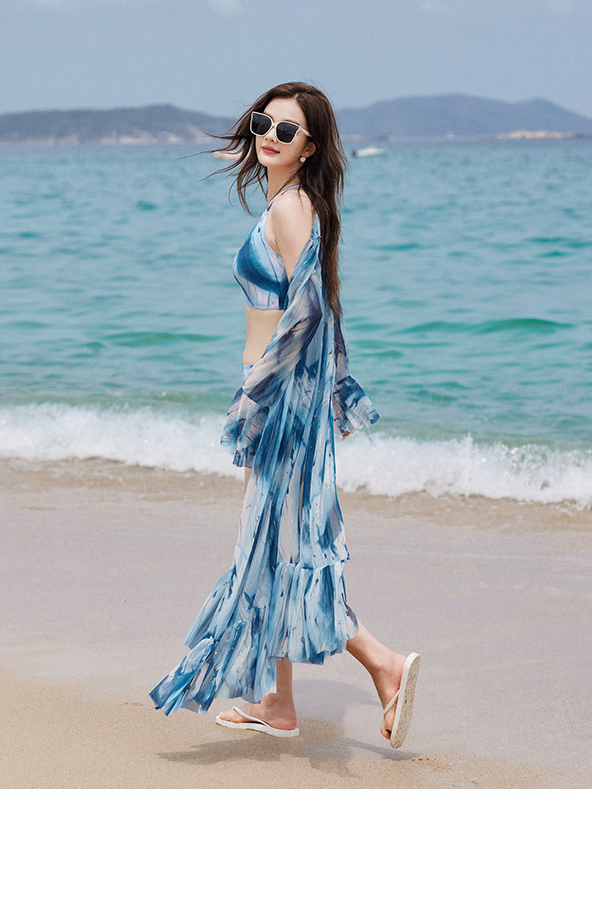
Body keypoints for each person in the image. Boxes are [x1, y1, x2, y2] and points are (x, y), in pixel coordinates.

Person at [149, 82, 420, 748]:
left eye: (287, 130)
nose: (270, 136)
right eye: (263, 123)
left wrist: (259, 392)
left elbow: (309, 309)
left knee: (272, 549)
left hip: (278, 398)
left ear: (311, 146)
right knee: (275, 549)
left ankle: (383, 663)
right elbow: (319, 304)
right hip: (283, 392)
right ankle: (279, 704)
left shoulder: (292, 207)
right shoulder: (292, 202)